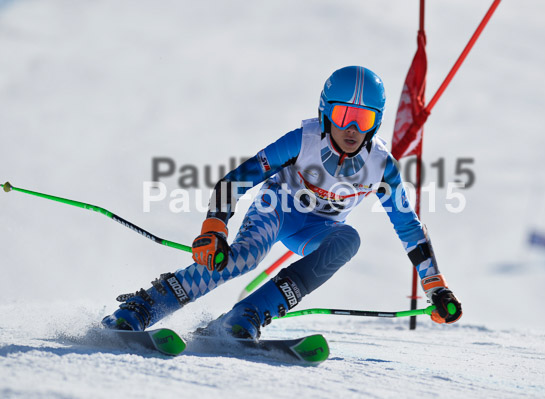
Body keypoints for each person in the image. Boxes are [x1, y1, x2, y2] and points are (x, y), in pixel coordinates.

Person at [101, 66, 462, 339]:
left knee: (348, 240)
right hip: (277, 208)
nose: (352, 129)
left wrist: (436, 286)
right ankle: (145, 306)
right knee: (247, 256)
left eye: (363, 118)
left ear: (375, 122)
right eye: (343, 116)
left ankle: (248, 316)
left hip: (317, 229)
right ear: (326, 112)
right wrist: (214, 226)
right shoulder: (301, 141)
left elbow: (408, 226)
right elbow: (235, 180)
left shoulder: (380, 166)